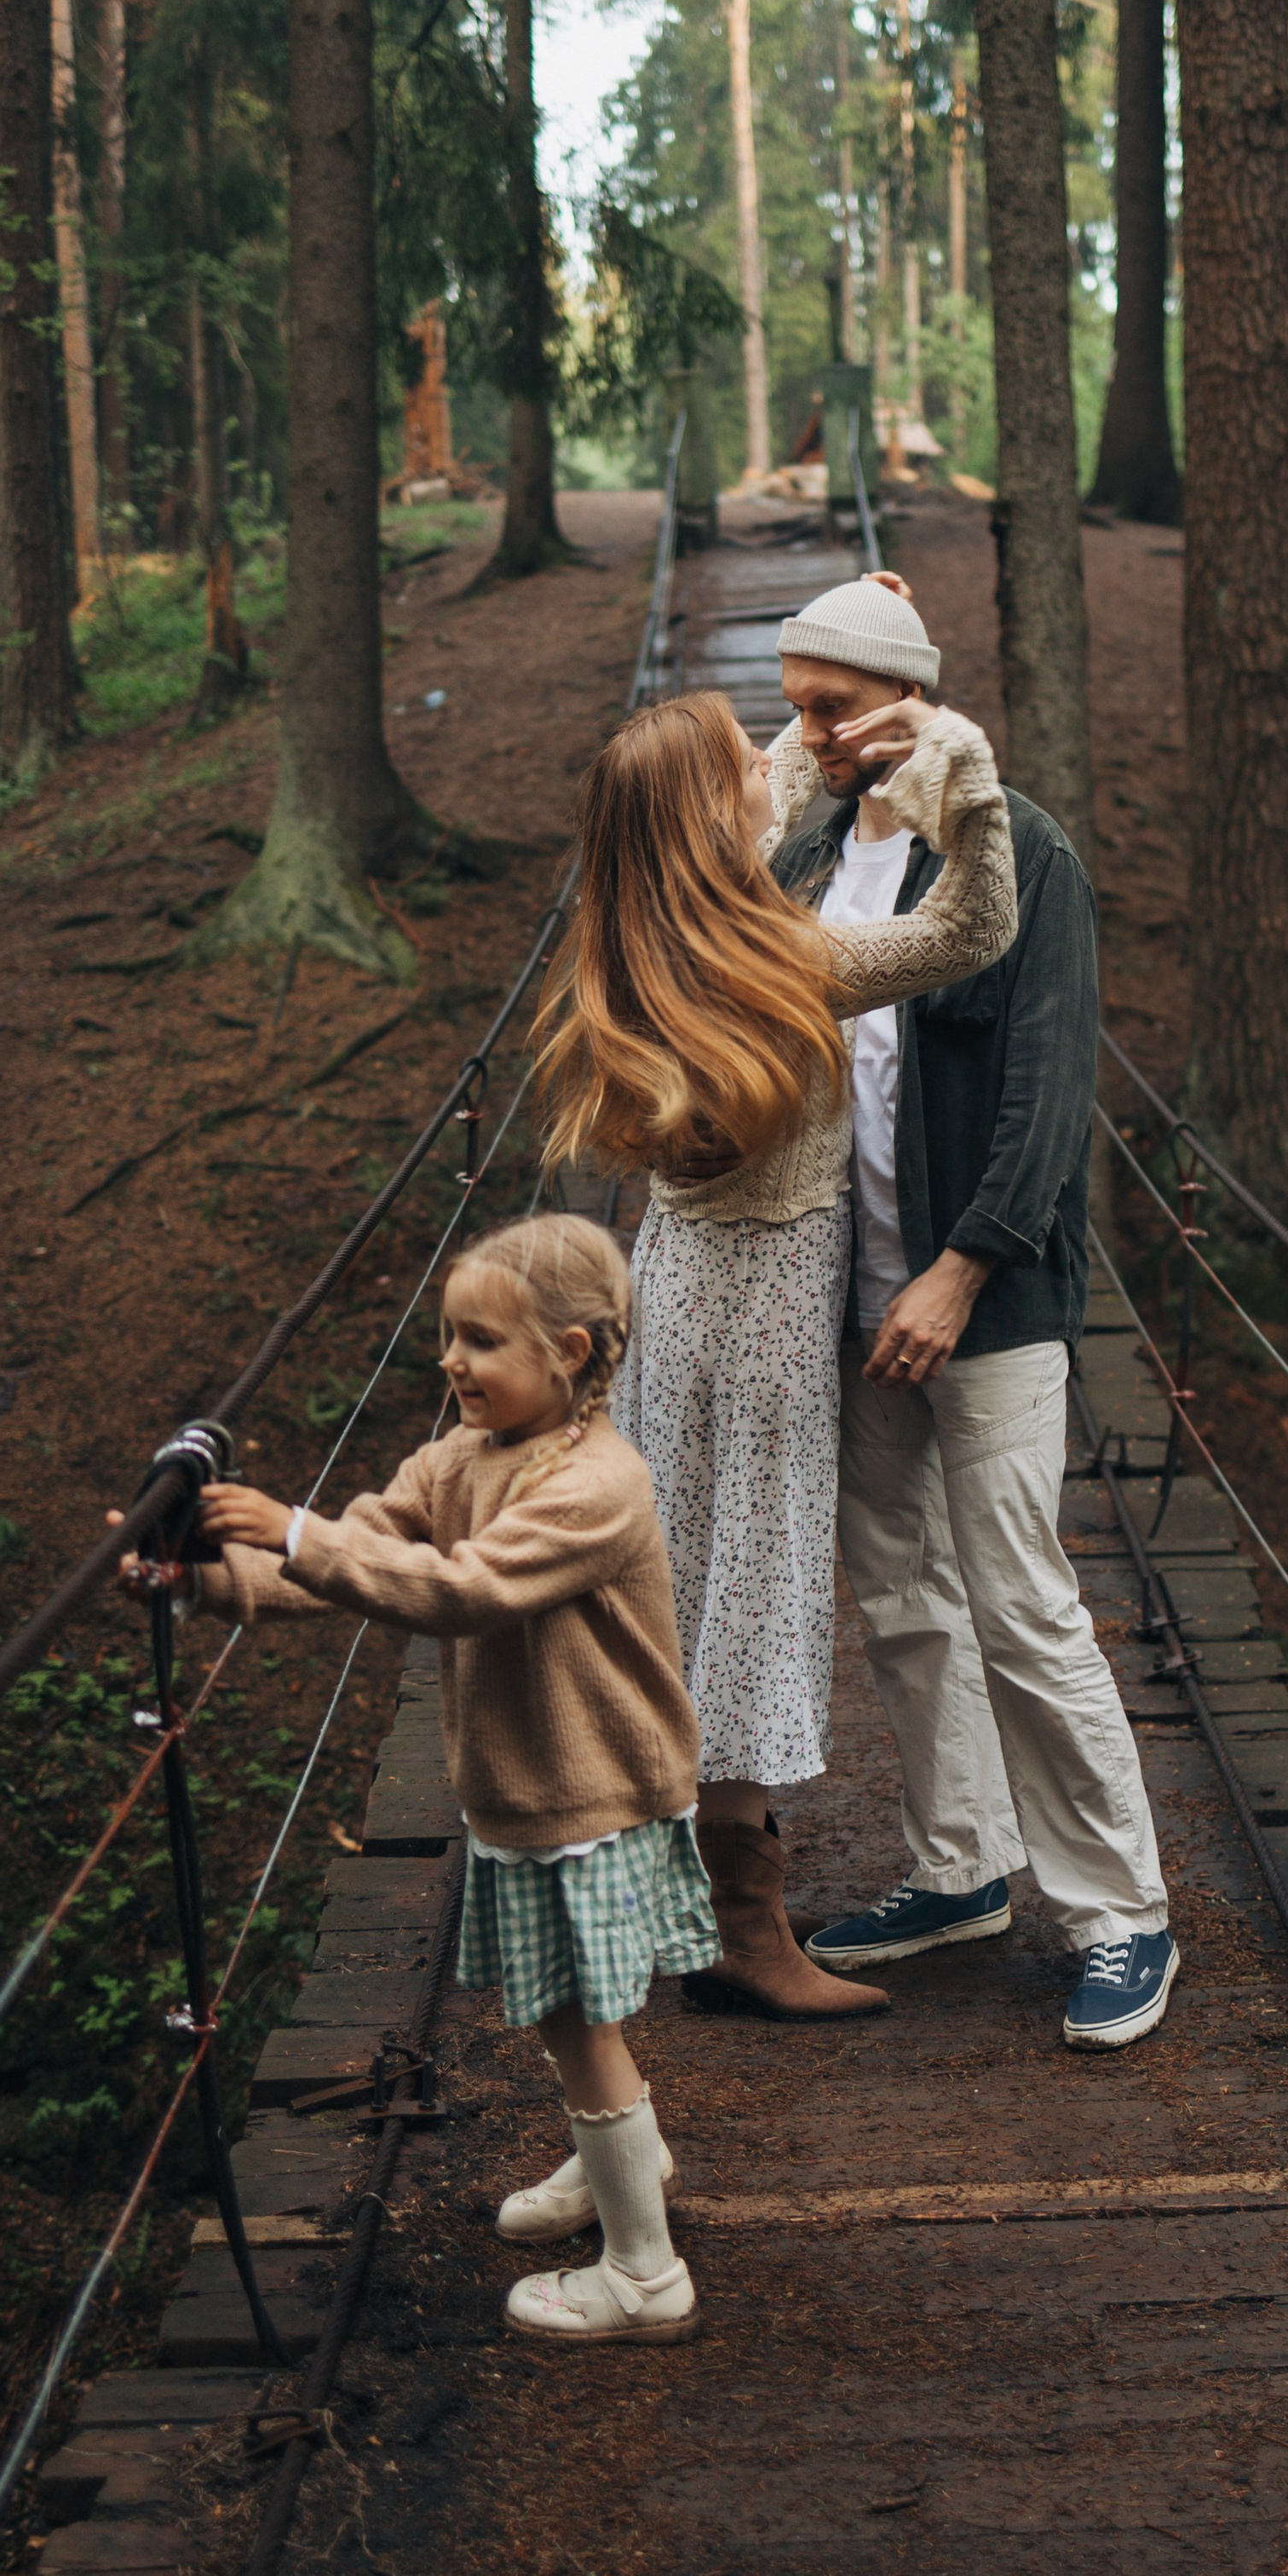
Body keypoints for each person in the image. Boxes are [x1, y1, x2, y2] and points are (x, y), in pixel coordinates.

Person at [118, 1216, 715, 2346]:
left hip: (591, 1797)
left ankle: (644, 2271)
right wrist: (200, 1578)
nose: (452, 1361)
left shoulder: (600, 1484)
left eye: (481, 1341)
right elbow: (356, 1562)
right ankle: (618, 2163)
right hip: (523, 1793)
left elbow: (459, 1590)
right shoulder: (451, 1461)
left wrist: (295, 1529)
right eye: (447, 1337)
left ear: (572, 1354)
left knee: (579, 2018)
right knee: (558, 2011)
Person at [532, 654, 1017, 2022]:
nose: (776, 760)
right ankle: (745, 1930)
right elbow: (971, 928)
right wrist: (957, 760)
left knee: (683, 1584)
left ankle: (672, 1905)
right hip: (762, 1321)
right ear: (709, 821)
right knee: (748, 1591)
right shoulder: (787, 958)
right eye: (750, 761)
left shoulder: (652, 947)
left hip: (678, 1288)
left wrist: (831, 722)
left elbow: (749, 793)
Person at [763, 578, 1179, 2050]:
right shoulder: (811, 848)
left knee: (1016, 1593)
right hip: (846, 1285)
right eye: (793, 704)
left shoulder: (1024, 851)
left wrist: (966, 1266)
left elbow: (1051, 1083)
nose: (804, 732)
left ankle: (1122, 1909)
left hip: (981, 1297)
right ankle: (960, 1869)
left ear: (904, 701)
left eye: (828, 705)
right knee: (902, 1590)